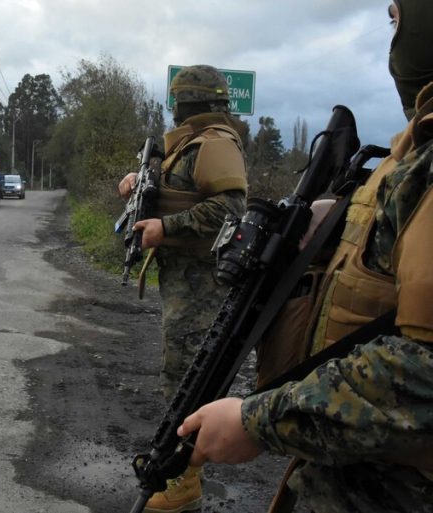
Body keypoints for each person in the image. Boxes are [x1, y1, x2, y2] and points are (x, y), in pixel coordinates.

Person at [176, 2, 433, 511]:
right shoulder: (414, 151)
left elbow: (424, 374)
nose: (391, 38)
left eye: (396, 20)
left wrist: (258, 421)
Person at [118, 64, 248, 512]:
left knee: (189, 382)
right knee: (179, 376)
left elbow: (231, 210)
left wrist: (165, 227)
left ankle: (184, 479)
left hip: (202, 285)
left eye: (178, 103)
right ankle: (179, 469)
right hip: (183, 283)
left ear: (186, 103)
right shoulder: (192, 145)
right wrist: (141, 184)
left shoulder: (215, 143)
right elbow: (184, 191)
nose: (174, 112)